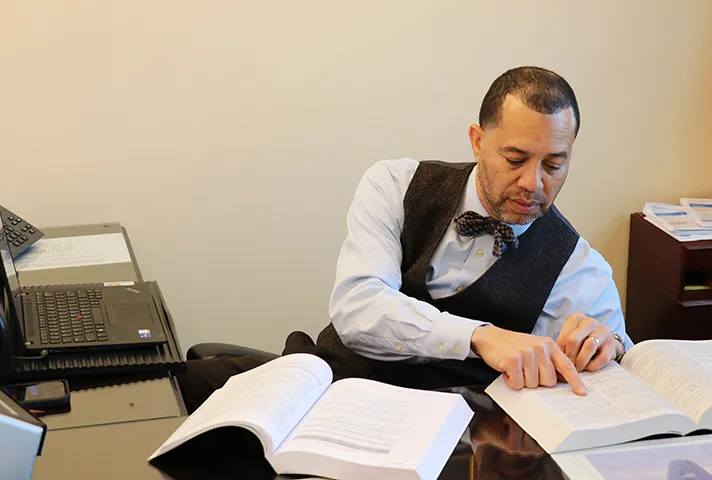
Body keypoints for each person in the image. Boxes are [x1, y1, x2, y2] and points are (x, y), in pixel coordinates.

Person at [177, 66, 633, 412]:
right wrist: (480, 337)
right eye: (515, 158)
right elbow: (358, 308)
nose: (533, 183)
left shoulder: (580, 268)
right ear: (477, 141)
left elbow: (614, 369)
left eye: (554, 164)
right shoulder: (394, 184)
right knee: (167, 392)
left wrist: (608, 345)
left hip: (450, 433)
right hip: (332, 387)